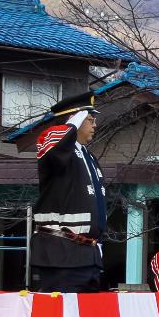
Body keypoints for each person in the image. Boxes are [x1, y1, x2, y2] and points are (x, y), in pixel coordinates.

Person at [29, 90, 109, 293]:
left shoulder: (88, 156)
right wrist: (71, 124)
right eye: (89, 119)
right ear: (76, 119)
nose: (94, 125)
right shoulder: (52, 142)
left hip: (88, 255)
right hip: (59, 253)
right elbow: (55, 150)